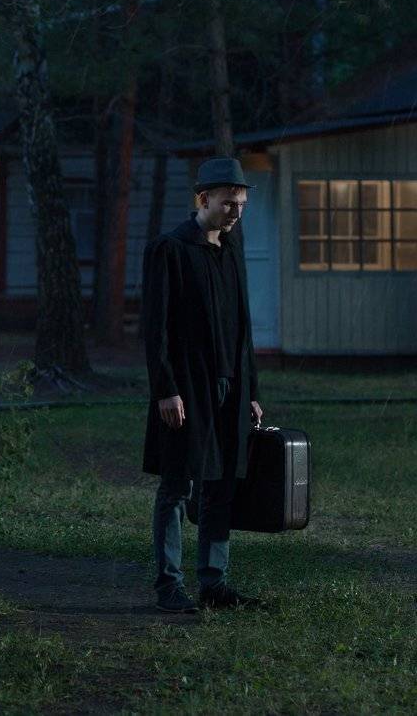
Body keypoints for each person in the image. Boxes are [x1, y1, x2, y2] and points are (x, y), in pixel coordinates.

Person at [140, 156, 264, 613]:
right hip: (187, 389)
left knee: (221, 484)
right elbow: (156, 328)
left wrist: (251, 391)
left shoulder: (230, 251)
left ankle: (214, 583)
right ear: (203, 198)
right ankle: (169, 586)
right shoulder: (170, 249)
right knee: (178, 485)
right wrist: (165, 388)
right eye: (228, 203)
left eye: (241, 204)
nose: (235, 212)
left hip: (231, 386)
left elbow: (242, 328)